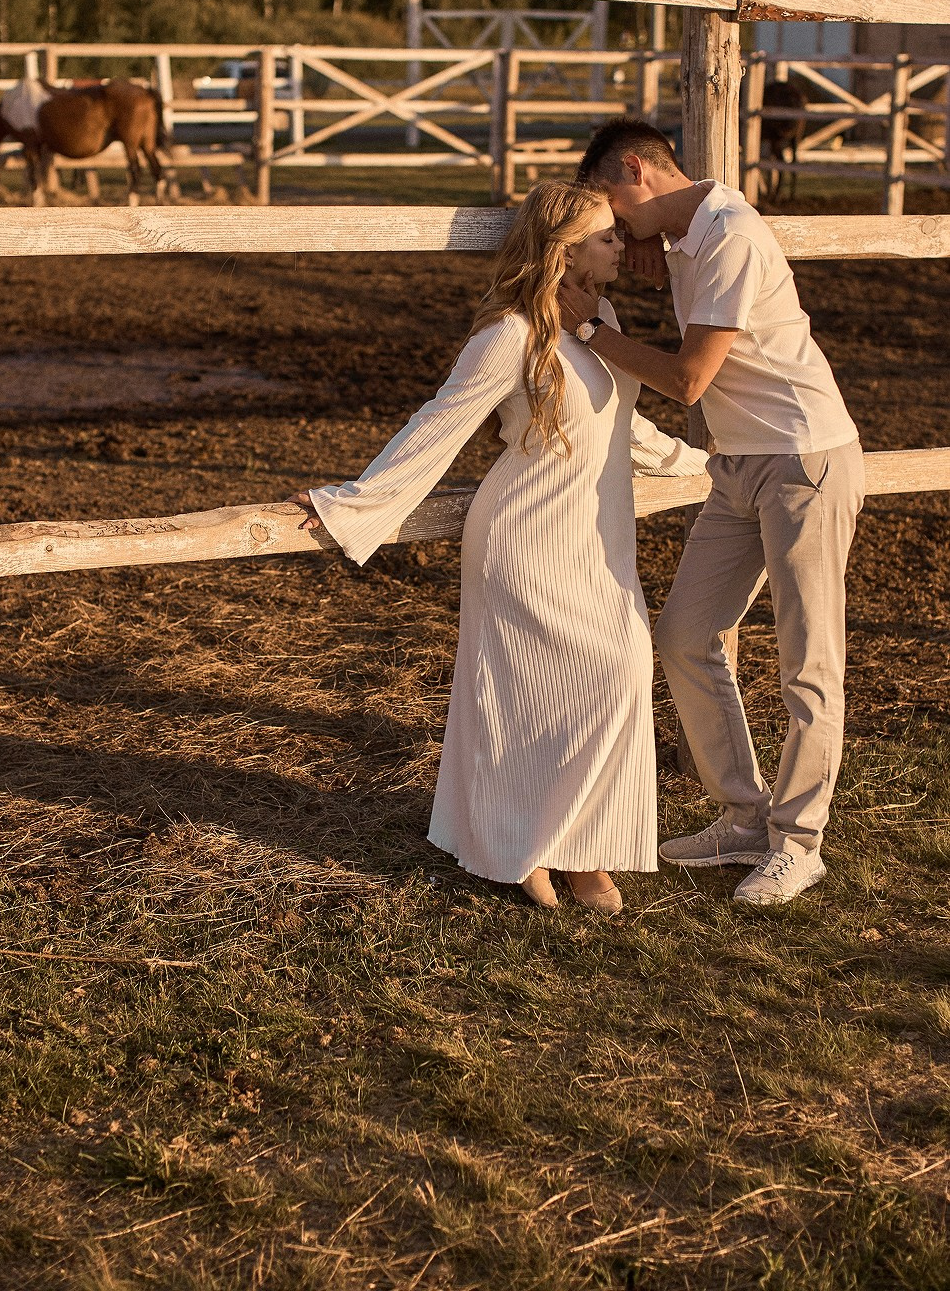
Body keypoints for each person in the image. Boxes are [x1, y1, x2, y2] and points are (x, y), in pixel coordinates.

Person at [290, 180, 708, 914]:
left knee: (615, 678)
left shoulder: (602, 318)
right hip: (525, 535)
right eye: (608, 237)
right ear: (564, 251)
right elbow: (439, 423)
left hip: (597, 536)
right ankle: (522, 849)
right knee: (524, 701)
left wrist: (707, 467)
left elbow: (622, 428)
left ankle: (581, 848)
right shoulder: (509, 334)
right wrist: (354, 504)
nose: (623, 246)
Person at [562, 118, 864, 907]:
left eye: (612, 208)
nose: (614, 228)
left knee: (807, 662)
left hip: (802, 460)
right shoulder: (686, 233)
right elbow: (655, 239)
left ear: (637, 168)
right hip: (737, 466)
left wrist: (587, 329)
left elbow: (690, 380)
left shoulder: (729, 235)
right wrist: (641, 243)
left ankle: (798, 845)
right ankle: (742, 816)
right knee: (685, 635)